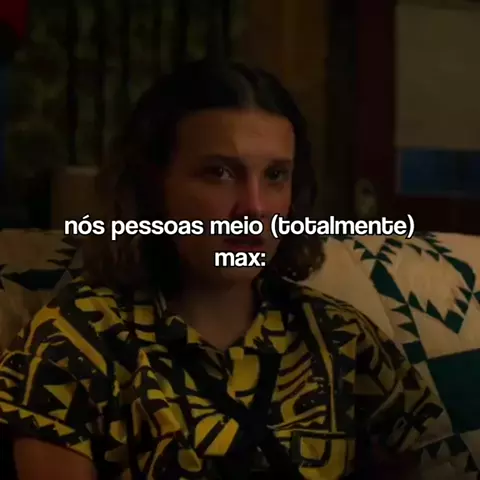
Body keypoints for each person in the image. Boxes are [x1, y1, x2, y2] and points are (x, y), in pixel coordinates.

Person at [0, 60, 458, 479]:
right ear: (151, 188)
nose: (254, 208)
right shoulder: (78, 340)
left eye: (275, 176)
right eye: (219, 173)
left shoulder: (339, 337)